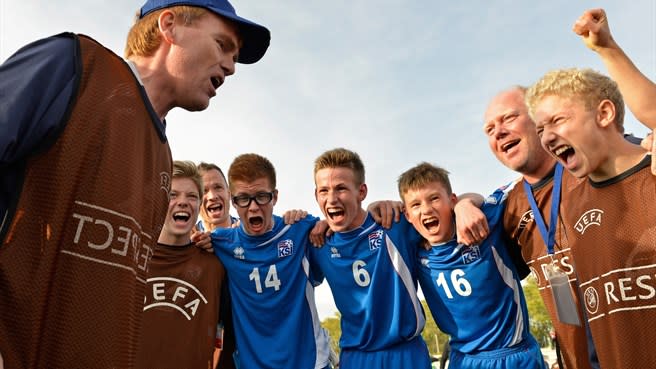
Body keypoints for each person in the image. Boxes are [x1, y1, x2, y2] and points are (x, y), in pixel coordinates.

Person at [0, 0, 270, 367]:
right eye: (223, 44)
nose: (231, 67)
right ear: (170, 26)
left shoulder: (163, 157)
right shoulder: (76, 66)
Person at [525, 67, 656, 368]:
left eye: (557, 120)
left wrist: (606, 47)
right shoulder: (573, 205)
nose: (547, 137)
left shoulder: (652, 173)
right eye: (541, 129)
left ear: (605, 113)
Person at [483, 86, 595, 369]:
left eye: (508, 118)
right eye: (489, 129)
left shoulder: (596, 164)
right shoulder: (509, 208)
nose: (498, 132)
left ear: (538, 118)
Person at [398, 162, 546, 369]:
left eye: (434, 198)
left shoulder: (483, 220)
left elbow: (524, 180)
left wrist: (466, 204)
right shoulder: (410, 245)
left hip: (514, 355)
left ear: (451, 201)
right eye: (416, 205)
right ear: (407, 215)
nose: (426, 209)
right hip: (463, 360)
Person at [310, 148, 431, 369]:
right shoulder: (318, 242)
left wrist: (464, 204)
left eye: (341, 188)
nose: (332, 198)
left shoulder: (394, 224)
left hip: (405, 355)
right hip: (356, 359)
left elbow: (443, 209)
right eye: (323, 190)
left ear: (362, 191)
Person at [211, 153, 331, 369]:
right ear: (233, 201)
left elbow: (346, 227)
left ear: (274, 196)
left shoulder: (300, 230)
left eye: (261, 196)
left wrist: (375, 210)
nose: (254, 207)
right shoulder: (220, 242)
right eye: (244, 199)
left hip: (309, 362)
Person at [137, 160, 233, 368]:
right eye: (173, 195)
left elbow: (231, 336)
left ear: (199, 206)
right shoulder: (133, 256)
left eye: (191, 196)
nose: (183, 202)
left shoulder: (214, 265)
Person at [198, 162, 238, 231]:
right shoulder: (185, 238)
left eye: (218, 187)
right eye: (204, 191)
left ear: (229, 194)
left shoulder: (251, 232)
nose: (212, 196)